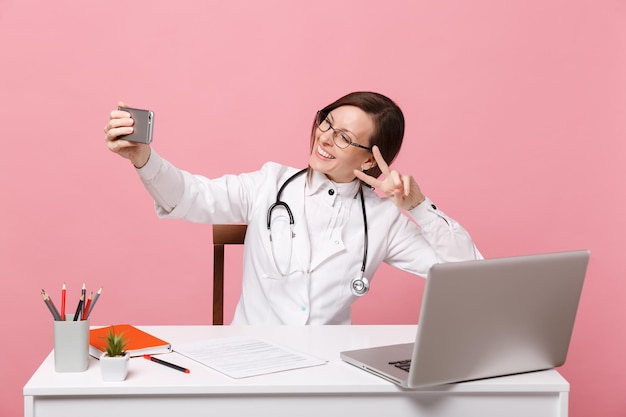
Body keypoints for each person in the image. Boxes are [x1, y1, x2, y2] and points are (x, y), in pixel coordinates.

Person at [104, 91, 482, 325]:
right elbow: (190, 196)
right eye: (327, 123)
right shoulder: (268, 184)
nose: (325, 138)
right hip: (250, 362)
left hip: (329, 371)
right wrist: (143, 157)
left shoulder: (383, 219)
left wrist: (417, 207)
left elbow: (468, 273)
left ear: (370, 161)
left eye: (345, 138)